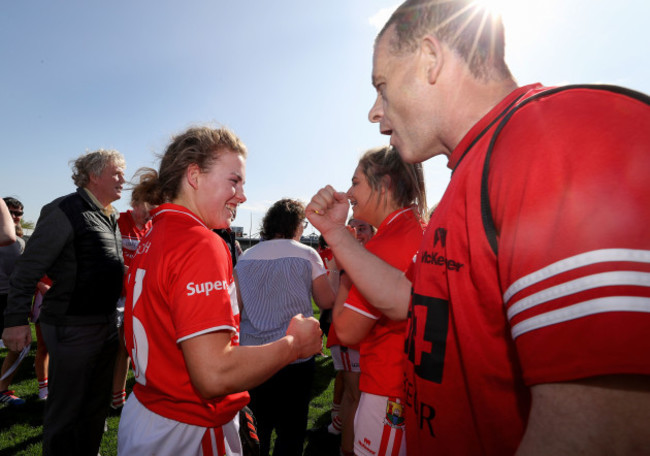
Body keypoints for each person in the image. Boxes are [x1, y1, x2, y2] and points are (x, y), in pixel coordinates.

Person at [306, 1, 650, 454]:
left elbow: (600, 433)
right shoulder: (477, 166)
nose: (375, 112)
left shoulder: (555, 136)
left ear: (431, 59)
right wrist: (336, 235)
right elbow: (409, 302)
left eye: (382, 87)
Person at [117, 126, 323, 456]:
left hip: (148, 412)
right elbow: (213, 374)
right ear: (194, 176)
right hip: (191, 425)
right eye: (234, 181)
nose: (242, 195)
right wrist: (295, 345)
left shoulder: (155, 235)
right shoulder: (199, 242)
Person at [3, 150, 126, 455]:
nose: (124, 179)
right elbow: (27, 269)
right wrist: (16, 321)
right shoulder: (63, 210)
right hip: (72, 327)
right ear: (95, 175)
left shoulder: (109, 214)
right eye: (117, 173)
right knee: (67, 411)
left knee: (95, 408)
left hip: (106, 324)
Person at [330, 147, 426, 456]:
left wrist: (348, 269)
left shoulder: (387, 242)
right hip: (408, 386)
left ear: (383, 184)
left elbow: (346, 330)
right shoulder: (415, 227)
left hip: (388, 386)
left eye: (356, 182)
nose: (348, 192)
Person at [234, 198, 336, 456]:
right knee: (291, 433)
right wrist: (333, 271)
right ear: (296, 225)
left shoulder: (246, 258)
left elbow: (235, 309)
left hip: (253, 358)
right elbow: (326, 301)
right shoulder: (307, 254)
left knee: (255, 432)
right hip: (295, 358)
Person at [324, 218, 375, 455]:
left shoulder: (366, 255)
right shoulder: (351, 257)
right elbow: (331, 296)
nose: (357, 233)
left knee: (350, 394)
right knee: (355, 397)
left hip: (351, 338)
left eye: (362, 228)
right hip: (348, 339)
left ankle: (338, 427)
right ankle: (348, 449)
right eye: (353, 228)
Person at [111, 184, 156, 410]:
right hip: (110, 295)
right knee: (107, 348)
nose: (150, 211)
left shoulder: (152, 227)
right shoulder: (117, 221)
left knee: (126, 345)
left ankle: (117, 396)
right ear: (134, 203)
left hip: (133, 296)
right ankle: (103, 395)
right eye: (147, 205)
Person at [0, 197, 26, 406]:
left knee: (19, 345)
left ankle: (2, 388)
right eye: (11, 212)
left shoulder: (21, 242)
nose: (16, 217)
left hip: (13, 299)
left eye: (19, 213)